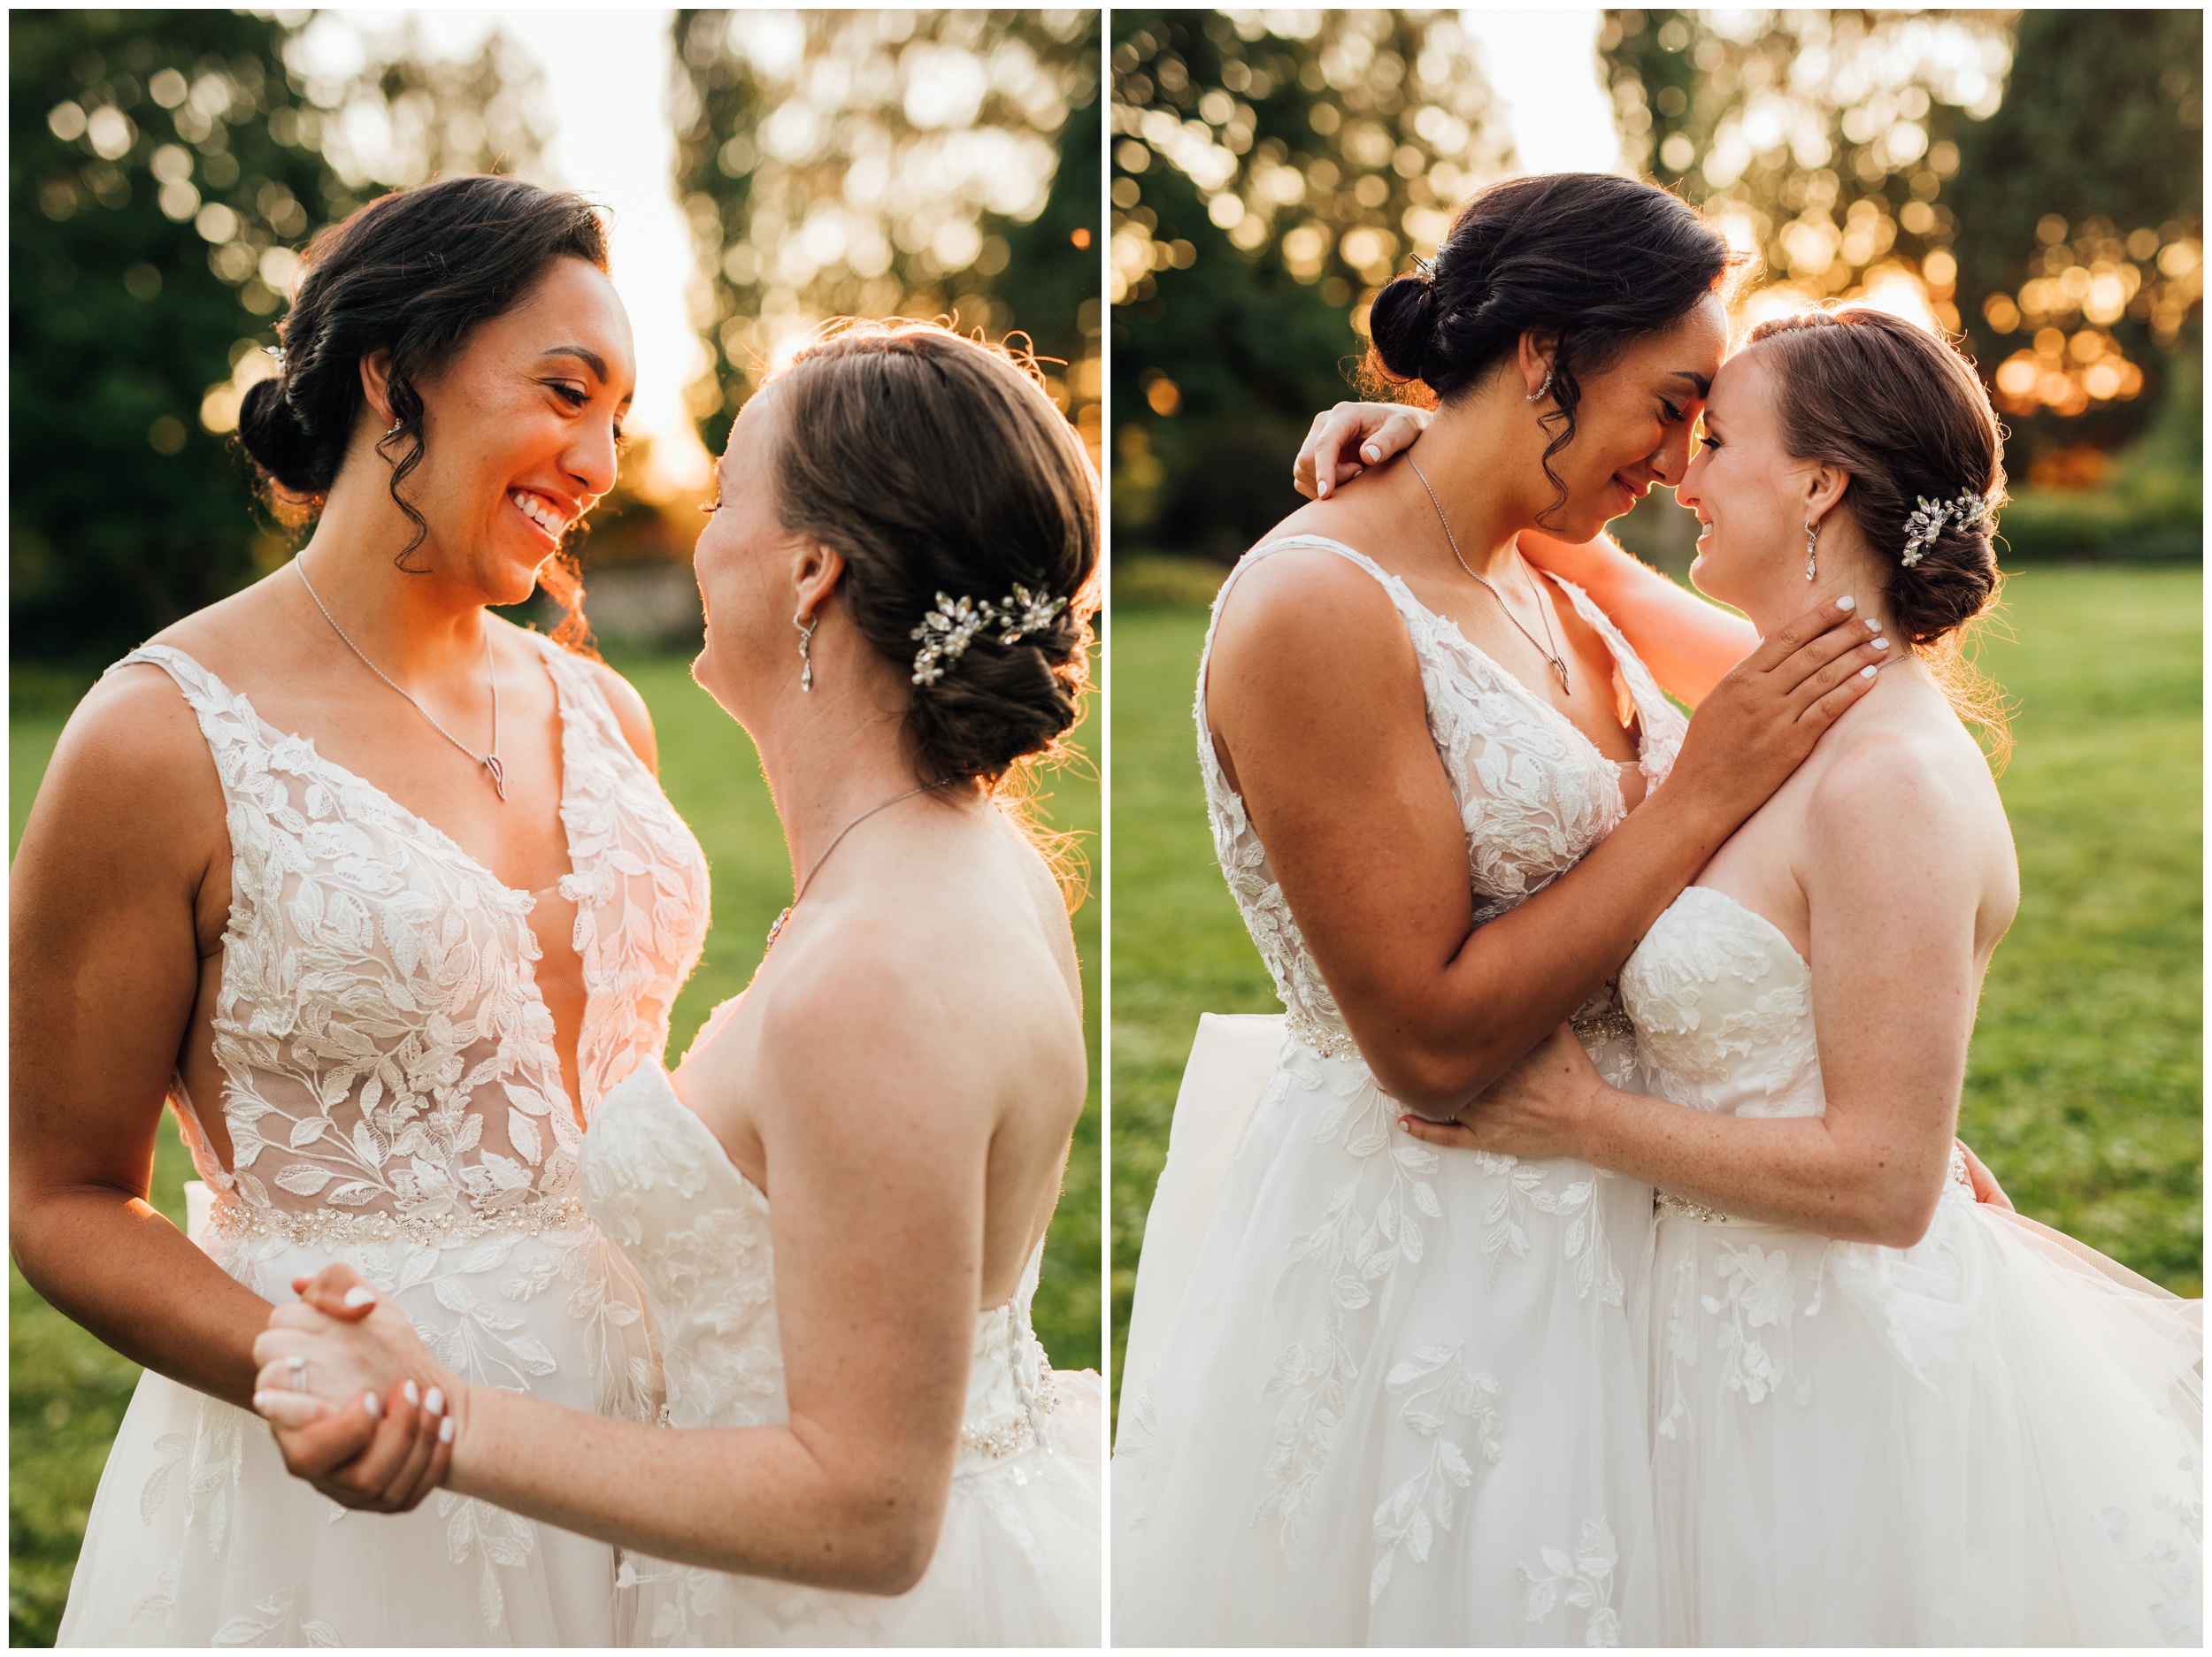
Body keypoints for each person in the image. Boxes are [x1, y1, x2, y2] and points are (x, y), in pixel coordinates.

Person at [1110, 172, 1901, 1646]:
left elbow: (1855, 712)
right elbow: (1426, 1038)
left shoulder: (1545, 567)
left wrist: (1856, 1092)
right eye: (1669, 405)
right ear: (1545, 353)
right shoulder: (1315, 609)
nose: (1681, 462)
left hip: (1639, 1239)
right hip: (1441, 1265)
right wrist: (1692, 796)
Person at [250, 319, 1105, 1646]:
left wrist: (445, 1409)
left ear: (812, 571)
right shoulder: (979, 862)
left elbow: (868, 1510)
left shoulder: (871, 972)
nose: (697, 534)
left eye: (725, 498)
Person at [1398, 306, 2202, 1645]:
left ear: (1821, 482)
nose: (1681, 475)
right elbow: (1606, 580)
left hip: (1825, 1376)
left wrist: (1583, 1121)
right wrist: (1409, 453)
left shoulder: (1888, 776)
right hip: (1702, 1334)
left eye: (1719, 442)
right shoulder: (1799, 695)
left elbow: (1888, 1182)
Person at [15, 174, 710, 1645]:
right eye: (564, 392)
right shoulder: (159, 737)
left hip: (654, 1448)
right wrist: (298, 1351)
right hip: (341, 1494)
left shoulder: (603, 713)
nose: (599, 457)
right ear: (396, 376)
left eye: (621, 410)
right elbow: (58, 1192)